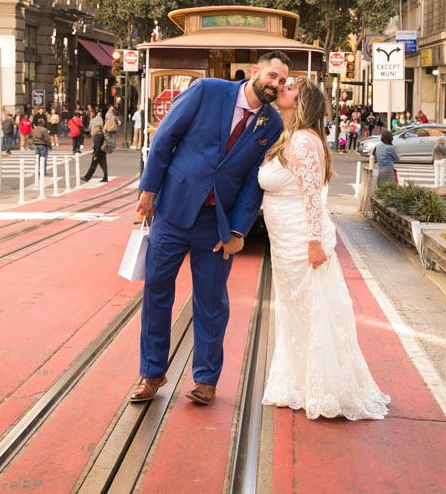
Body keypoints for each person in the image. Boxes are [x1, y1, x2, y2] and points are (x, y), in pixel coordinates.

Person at [132, 52, 290, 406]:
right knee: (156, 293)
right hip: (172, 210)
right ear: (255, 72)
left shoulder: (273, 124)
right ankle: (151, 372)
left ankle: (206, 379)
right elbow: (165, 138)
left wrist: (238, 231)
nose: (276, 85)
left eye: (282, 82)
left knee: (212, 302)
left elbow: (253, 182)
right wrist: (149, 190)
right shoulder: (206, 90)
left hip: (215, 222)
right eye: (272, 76)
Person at [258, 76, 389, 420]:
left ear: (302, 103)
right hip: (285, 242)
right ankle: (300, 382)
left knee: (311, 310)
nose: (281, 90)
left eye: (289, 89)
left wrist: (314, 242)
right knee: (295, 311)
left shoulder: (301, 141)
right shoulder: (292, 137)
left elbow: (314, 196)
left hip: (301, 242)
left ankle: (319, 387)